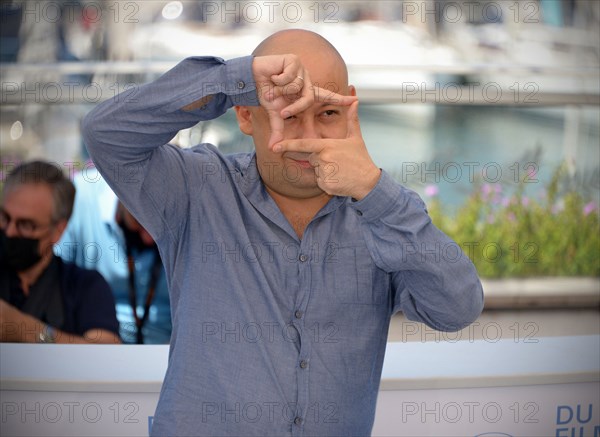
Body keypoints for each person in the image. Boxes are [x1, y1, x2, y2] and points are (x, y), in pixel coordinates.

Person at [83, 29, 484, 436]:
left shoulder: (384, 213)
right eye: (289, 113)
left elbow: (456, 309)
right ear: (244, 115)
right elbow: (107, 133)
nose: (309, 136)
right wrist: (234, 79)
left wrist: (374, 191)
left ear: (350, 107)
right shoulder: (195, 188)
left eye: (328, 112)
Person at [0, 160, 120, 344]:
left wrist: (24, 329)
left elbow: (105, 355)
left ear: (58, 230)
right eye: (5, 218)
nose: (10, 231)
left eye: (26, 225)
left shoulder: (85, 287)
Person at [56, 171, 171, 344]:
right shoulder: (81, 197)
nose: (149, 238)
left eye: (160, 227)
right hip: (93, 348)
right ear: (121, 194)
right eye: (140, 222)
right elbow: (55, 279)